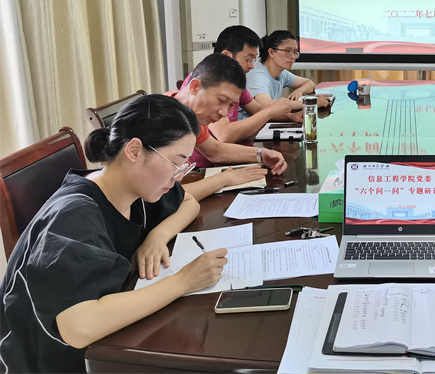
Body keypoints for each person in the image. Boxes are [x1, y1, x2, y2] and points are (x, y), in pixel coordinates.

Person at [0, 95, 229, 373]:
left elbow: (188, 202)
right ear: (134, 150)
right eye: (175, 163)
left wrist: (156, 237)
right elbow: (78, 327)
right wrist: (183, 281)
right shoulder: (76, 214)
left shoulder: (133, 187)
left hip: (104, 344)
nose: (178, 176)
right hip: (45, 361)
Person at [167, 53, 288, 200]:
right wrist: (224, 178)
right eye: (221, 100)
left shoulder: (187, 114)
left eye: (231, 105)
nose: (224, 113)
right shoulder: (160, 119)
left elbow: (214, 150)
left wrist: (261, 154)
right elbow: (166, 199)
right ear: (194, 87)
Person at [179, 25, 294, 143]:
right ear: (227, 55)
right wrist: (270, 112)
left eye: (254, 60)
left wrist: (290, 116)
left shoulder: (234, 81)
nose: (252, 66)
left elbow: (257, 110)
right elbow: (225, 135)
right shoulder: (208, 80)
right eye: (248, 59)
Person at [244, 30, 329, 115]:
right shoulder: (258, 74)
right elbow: (266, 105)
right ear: (271, 52)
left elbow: (310, 83)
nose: (292, 57)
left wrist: (299, 91)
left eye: (295, 52)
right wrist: (311, 102)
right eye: (287, 51)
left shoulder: (281, 73)